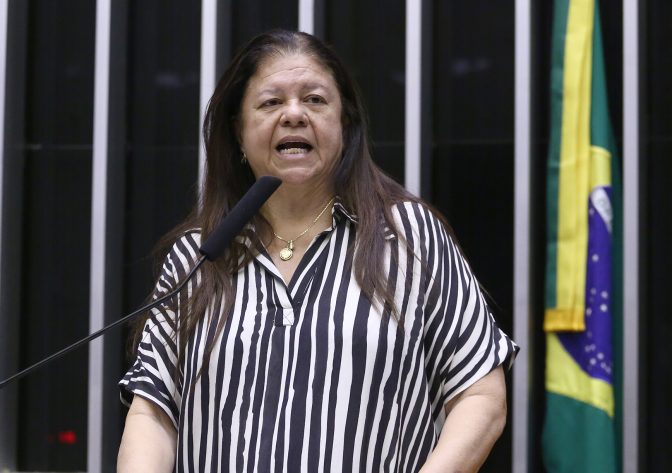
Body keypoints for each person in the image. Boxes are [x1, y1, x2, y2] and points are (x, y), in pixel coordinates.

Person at [117, 29, 518, 473]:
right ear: (238, 131)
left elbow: (481, 396)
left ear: (344, 124)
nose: (294, 114)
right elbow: (152, 414)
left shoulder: (409, 237)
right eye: (271, 102)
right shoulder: (197, 257)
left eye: (314, 100)